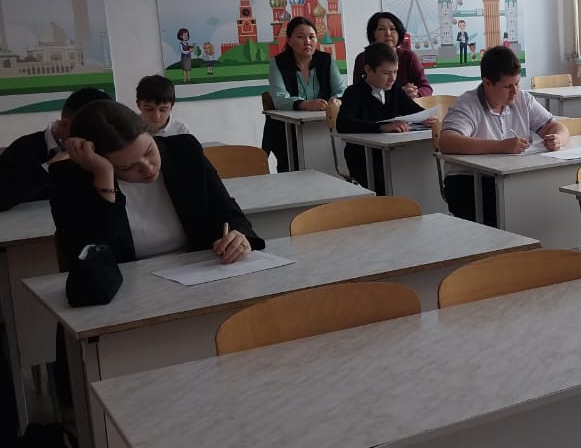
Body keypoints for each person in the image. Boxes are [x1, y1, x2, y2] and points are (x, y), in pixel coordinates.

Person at [49, 100, 264, 265]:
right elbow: (93, 261)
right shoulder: (71, 179)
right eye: (126, 167)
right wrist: (104, 177)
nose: (148, 168)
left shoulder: (183, 151)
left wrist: (240, 237)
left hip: (200, 274)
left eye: (149, 151)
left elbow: (229, 213)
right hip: (128, 291)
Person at [438, 46, 569, 225]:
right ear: (487, 83)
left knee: (547, 194)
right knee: (513, 205)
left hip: (511, 175)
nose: (515, 91)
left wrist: (558, 139)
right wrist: (500, 146)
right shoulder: (467, 105)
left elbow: (555, 126)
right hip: (469, 181)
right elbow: (447, 142)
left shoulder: (523, 99)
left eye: (517, 83)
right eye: (507, 86)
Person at [337, 43, 435, 192]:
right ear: (368, 70)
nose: (392, 78)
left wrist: (427, 118)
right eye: (386, 73)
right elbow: (343, 123)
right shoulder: (353, 93)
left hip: (395, 155)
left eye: (395, 72)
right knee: (386, 187)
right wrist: (381, 127)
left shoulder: (395, 90)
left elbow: (414, 110)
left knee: (416, 175)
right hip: (363, 157)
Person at [0, 88, 110, 211]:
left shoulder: (104, 147)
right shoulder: (24, 148)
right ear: (65, 125)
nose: (96, 139)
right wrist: (48, 167)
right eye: (91, 131)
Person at [262, 17, 346, 172]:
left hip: (322, 126)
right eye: (300, 37)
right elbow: (280, 99)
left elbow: (341, 90)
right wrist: (305, 104)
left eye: (312, 37)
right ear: (289, 40)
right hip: (287, 131)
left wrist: (334, 102)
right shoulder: (278, 63)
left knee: (331, 163)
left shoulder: (326, 60)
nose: (307, 41)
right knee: (294, 170)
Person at [351, 12, 432, 98]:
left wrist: (414, 93)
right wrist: (397, 95)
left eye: (392, 28)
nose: (388, 33)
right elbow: (357, 92)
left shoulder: (409, 56)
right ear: (372, 33)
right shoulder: (363, 58)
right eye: (381, 29)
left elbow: (426, 88)